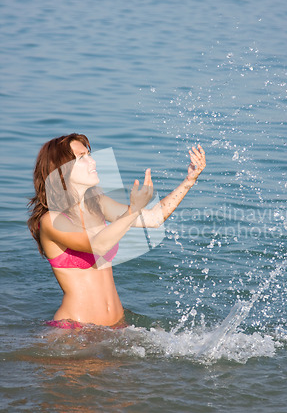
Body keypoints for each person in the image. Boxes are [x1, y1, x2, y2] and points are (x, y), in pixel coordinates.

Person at [27, 133, 206, 329]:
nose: (92, 161)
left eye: (89, 154)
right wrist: (132, 210)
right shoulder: (51, 220)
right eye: (82, 157)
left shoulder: (97, 203)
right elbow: (98, 245)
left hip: (117, 325)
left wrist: (189, 180)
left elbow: (154, 218)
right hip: (77, 330)